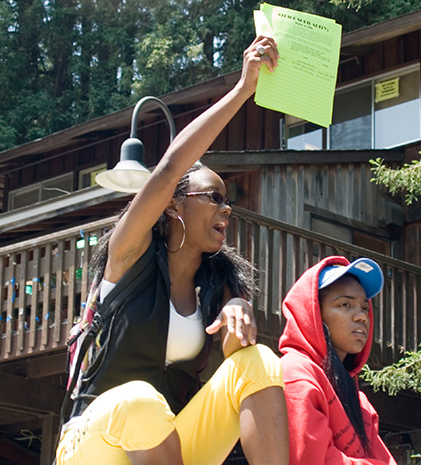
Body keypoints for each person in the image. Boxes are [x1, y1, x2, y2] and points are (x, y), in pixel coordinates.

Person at [55, 36, 289, 465]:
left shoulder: (217, 281)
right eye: (213, 197)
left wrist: (238, 309)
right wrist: (244, 90)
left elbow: (238, 364)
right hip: (94, 442)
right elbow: (169, 168)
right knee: (140, 401)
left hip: (167, 448)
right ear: (173, 205)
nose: (226, 208)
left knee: (260, 361)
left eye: (228, 200)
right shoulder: (128, 254)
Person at [279, 255, 398, 465]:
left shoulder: (361, 402)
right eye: (344, 304)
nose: (361, 317)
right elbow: (313, 461)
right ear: (315, 313)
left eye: (364, 308)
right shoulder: (295, 373)